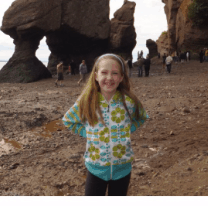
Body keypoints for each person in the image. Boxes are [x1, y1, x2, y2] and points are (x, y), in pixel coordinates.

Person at [62, 53, 148, 196]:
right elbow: (68, 120)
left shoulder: (129, 102)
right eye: (104, 73)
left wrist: (127, 129)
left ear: (121, 77)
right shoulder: (87, 101)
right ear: (96, 76)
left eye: (114, 73)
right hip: (96, 168)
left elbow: (142, 117)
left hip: (123, 169)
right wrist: (87, 132)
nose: (109, 78)